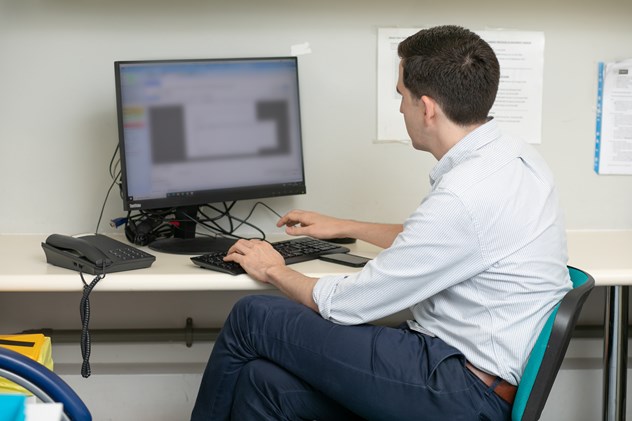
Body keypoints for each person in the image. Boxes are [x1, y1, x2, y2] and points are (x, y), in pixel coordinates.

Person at [190, 25, 571, 421]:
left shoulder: (465, 194)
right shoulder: (511, 158)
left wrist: (274, 270)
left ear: (426, 108)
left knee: (253, 316)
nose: (400, 108)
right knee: (262, 383)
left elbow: (352, 304)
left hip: (461, 390)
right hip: (467, 373)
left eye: (400, 97)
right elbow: (440, 242)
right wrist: (346, 226)